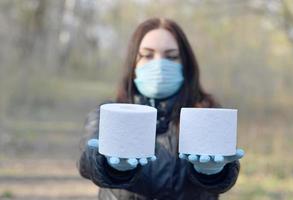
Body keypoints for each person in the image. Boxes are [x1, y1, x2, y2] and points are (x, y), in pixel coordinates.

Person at [78, 17, 244, 200]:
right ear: (133, 64)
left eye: (172, 57)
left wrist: (214, 173)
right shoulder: (108, 115)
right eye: (148, 55)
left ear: (185, 65)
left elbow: (225, 178)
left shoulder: (207, 115)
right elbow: (87, 163)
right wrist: (110, 167)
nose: (159, 65)